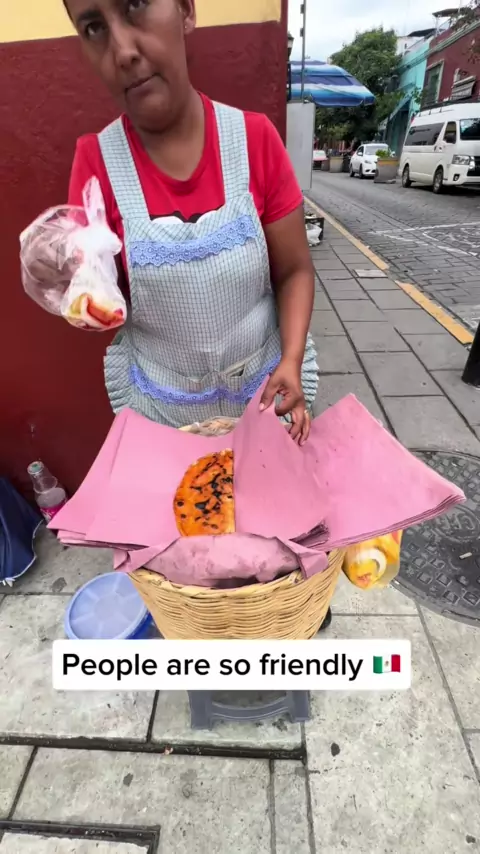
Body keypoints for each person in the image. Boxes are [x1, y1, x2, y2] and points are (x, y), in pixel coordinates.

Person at [63, 0, 318, 442]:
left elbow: (295, 270)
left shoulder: (254, 141)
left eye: (136, 5)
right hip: (161, 415)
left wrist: (292, 360)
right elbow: (93, 295)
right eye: (93, 28)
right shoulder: (97, 166)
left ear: (185, 10)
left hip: (265, 401)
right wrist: (75, 286)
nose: (122, 51)